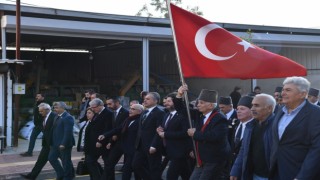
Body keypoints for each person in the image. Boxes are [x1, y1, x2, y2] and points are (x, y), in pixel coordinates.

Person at [270, 76, 320, 180]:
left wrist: (302, 177)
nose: (282, 93)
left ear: (303, 94)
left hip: (299, 172)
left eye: (288, 90)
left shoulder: (316, 114)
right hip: (276, 170)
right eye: (283, 89)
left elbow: (317, 149)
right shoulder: (280, 111)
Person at [177, 84, 230, 180]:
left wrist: (195, 134)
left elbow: (215, 136)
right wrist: (179, 95)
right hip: (201, 159)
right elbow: (182, 110)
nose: (198, 105)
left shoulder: (219, 118)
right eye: (198, 102)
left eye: (201, 103)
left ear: (211, 105)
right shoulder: (199, 114)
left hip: (214, 159)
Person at [230, 94, 275, 180]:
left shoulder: (277, 126)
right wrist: (235, 170)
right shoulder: (250, 126)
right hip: (252, 174)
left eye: (256, 105)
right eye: (252, 105)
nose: (252, 109)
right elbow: (244, 150)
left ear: (269, 108)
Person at [98, 103, 144, 180]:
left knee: (127, 169)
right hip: (120, 144)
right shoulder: (128, 119)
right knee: (109, 163)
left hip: (132, 148)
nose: (130, 111)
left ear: (139, 111)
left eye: (133, 109)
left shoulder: (141, 121)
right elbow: (118, 129)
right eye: (130, 108)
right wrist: (105, 135)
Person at [156, 93, 193, 180]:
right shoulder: (167, 115)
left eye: (169, 101)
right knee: (186, 174)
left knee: (171, 175)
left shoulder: (183, 115)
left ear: (176, 102)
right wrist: (160, 130)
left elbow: (185, 133)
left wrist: (165, 134)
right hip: (170, 151)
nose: (166, 103)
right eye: (165, 102)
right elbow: (165, 129)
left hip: (180, 151)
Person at [132, 92, 165, 180]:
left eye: (148, 99)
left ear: (156, 101)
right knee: (136, 165)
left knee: (154, 169)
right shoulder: (144, 112)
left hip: (152, 146)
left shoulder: (159, 113)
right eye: (144, 99)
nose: (145, 100)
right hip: (141, 146)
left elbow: (159, 131)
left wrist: (154, 145)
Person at [20, 103, 57, 179]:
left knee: (62, 160)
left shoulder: (54, 116)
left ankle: (68, 174)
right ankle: (32, 176)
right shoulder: (44, 116)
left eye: (41, 111)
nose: (40, 113)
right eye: (39, 111)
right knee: (40, 161)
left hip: (54, 144)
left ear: (47, 110)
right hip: (46, 144)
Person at [102, 96, 129, 180]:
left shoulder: (126, 113)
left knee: (130, 167)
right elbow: (113, 128)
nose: (108, 106)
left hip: (126, 142)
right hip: (116, 143)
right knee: (109, 163)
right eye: (107, 104)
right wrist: (110, 141)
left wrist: (109, 135)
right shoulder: (112, 113)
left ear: (117, 102)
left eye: (110, 104)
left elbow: (122, 128)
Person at [86, 98, 113, 180]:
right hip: (94, 143)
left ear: (101, 105)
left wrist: (101, 141)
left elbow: (107, 129)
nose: (93, 109)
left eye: (94, 107)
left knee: (107, 164)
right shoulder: (97, 113)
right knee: (90, 161)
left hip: (103, 143)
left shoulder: (108, 113)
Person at [48, 102, 75, 180]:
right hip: (55, 144)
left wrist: (63, 143)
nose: (55, 109)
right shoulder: (57, 116)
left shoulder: (68, 117)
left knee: (66, 162)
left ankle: (68, 177)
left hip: (64, 144)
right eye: (54, 108)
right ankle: (61, 174)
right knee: (51, 158)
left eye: (56, 108)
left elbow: (68, 132)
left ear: (63, 108)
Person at [230, 96, 254, 169]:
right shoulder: (235, 124)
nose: (238, 111)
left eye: (242, 109)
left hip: (248, 166)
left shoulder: (255, 126)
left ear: (251, 110)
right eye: (237, 109)